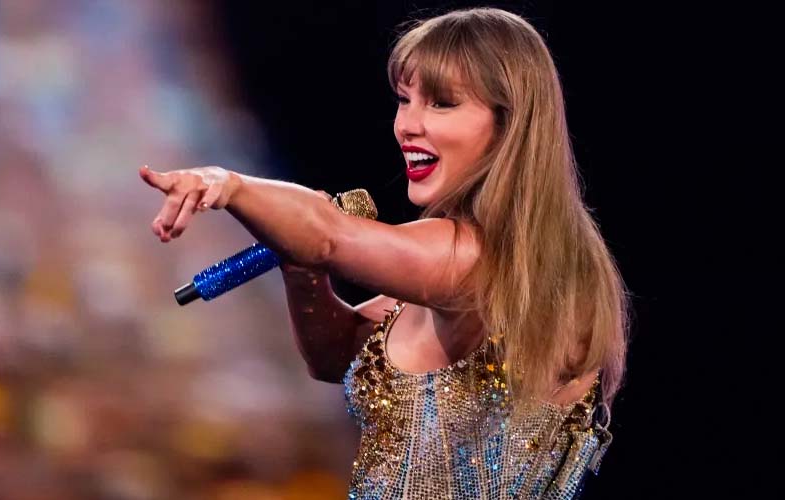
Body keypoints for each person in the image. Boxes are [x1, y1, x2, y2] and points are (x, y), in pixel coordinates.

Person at [139, 7, 627, 499]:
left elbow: (329, 237)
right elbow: (338, 357)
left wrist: (229, 185)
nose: (407, 125)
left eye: (441, 103)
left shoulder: (489, 261)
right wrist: (301, 265)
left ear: (510, 124)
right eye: (404, 100)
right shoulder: (447, 261)